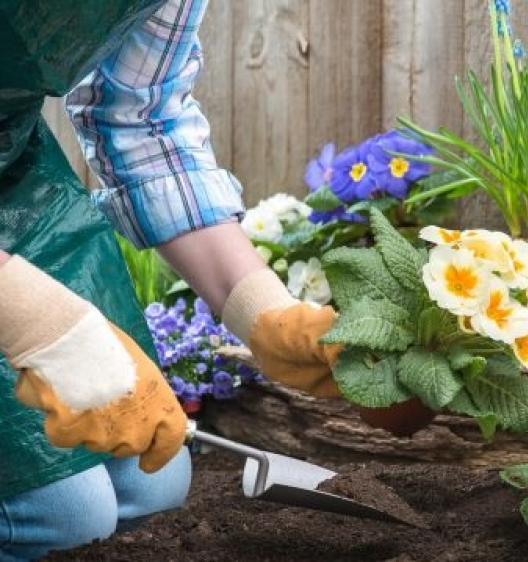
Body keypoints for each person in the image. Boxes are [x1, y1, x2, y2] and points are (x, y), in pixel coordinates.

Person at [0, 1, 340, 559]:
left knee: (152, 482)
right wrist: (35, 320)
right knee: (59, 517)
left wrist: (261, 310)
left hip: (14, 178)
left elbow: (138, 115)